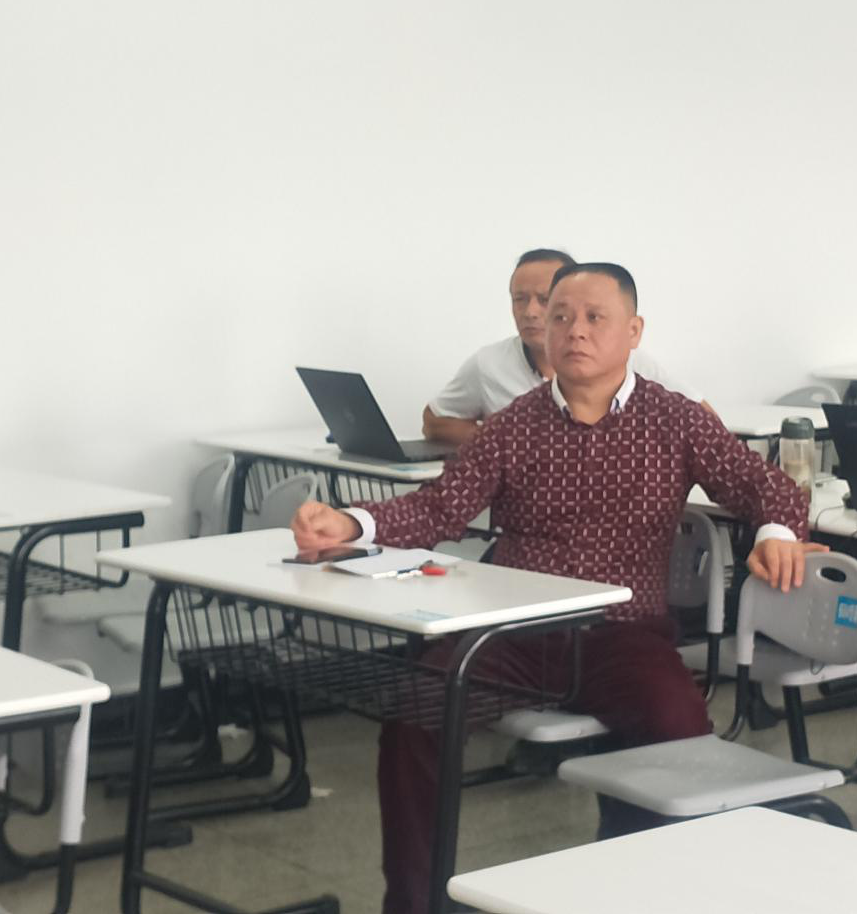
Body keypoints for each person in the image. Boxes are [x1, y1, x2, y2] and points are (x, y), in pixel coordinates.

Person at [292, 262, 825, 914]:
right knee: (413, 715)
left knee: (680, 734)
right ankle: (414, 903)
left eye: (595, 318)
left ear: (633, 332)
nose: (575, 331)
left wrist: (775, 531)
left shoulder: (675, 419)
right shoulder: (513, 424)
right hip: (512, 630)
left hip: (623, 634)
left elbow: (766, 483)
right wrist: (353, 523)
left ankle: (631, 893)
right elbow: (438, 509)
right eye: (561, 317)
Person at [421, 248, 703, 445]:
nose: (530, 312)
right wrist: (507, 443)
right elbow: (435, 421)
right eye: (520, 299)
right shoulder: (488, 365)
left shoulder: (630, 362)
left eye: (544, 300)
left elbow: (703, 422)